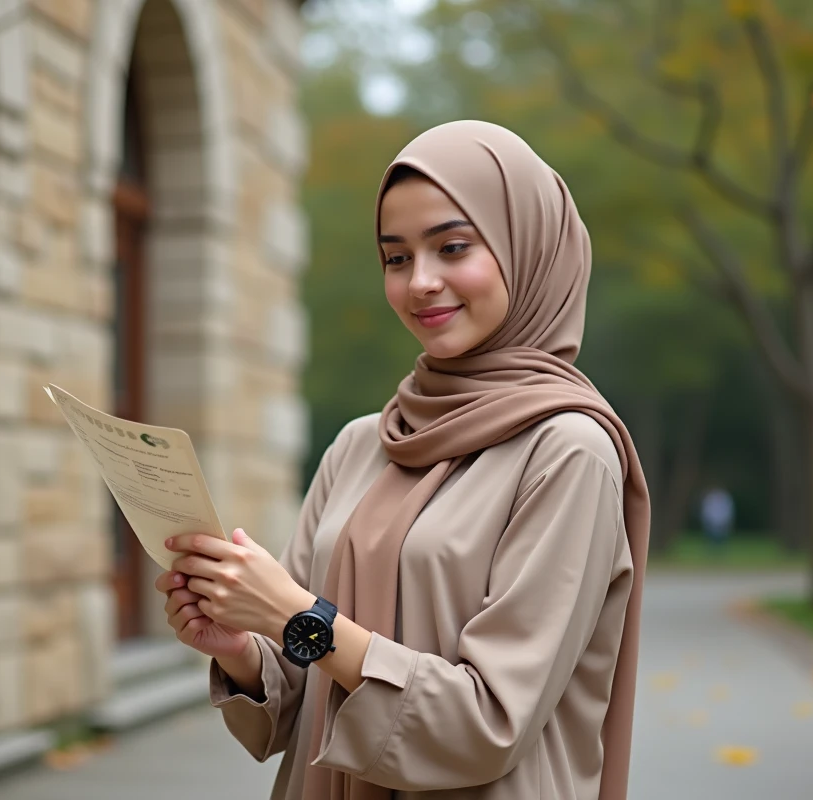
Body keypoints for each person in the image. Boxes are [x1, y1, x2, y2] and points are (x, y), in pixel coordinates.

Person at [155, 121, 651, 800]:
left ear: (528, 248)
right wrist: (243, 648)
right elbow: (303, 706)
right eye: (395, 258)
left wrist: (299, 617)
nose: (421, 282)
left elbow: (489, 724)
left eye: (452, 247)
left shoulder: (568, 452)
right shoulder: (363, 444)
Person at [699, 486, 735, 556]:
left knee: (721, 540)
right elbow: (706, 511)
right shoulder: (710, 499)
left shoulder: (726, 499)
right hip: (711, 522)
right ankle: (710, 554)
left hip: (722, 522)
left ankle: (721, 554)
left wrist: (726, 521)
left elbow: (728, 511)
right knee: (710, 539)